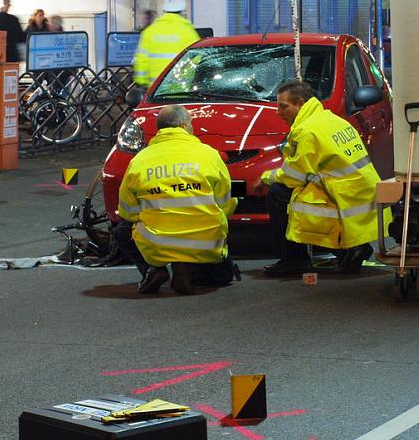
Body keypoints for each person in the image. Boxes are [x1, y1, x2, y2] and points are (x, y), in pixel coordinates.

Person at [256, 80, 388, 277]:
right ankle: (351, 249)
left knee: (278, 193)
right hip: (359, 193)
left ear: (300, 103)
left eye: (283, 106)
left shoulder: (306, 130)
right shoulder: (330, 120)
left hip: (342, 196)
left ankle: (294, 260)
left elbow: (293, 176)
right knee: (294, 192)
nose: (278, 112)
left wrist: (266, 178)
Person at [114, 104, 239, 294]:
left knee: (122, 231)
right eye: (190, 124)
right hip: (205, 241)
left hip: (157, 241)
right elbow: (226, 202)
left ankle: (153, 270)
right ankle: (187, 267)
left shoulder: (140, 160)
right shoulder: (209, 154)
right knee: (221, 277)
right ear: (183, 125)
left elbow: (127, 211)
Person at [132, 0, 199, 88]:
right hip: (180, 87)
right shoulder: (188, 32)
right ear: (181, 13)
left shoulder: (149, 31)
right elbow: (196, 58)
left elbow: (141, 59)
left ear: (164, 12)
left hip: (154, 88)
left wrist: (141, 81)